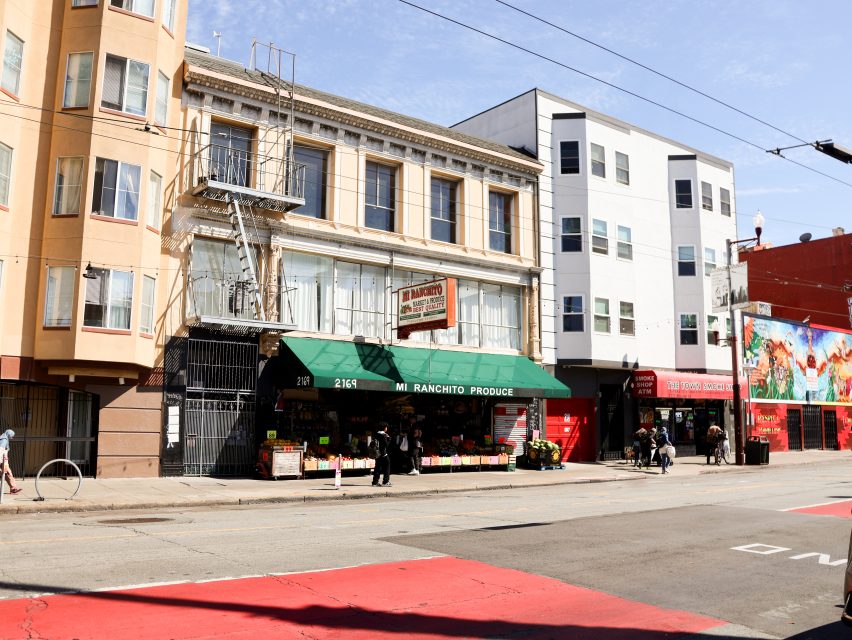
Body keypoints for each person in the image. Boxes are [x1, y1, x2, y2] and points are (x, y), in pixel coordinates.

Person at [0, 429, 22, 494]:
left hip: (3, 460)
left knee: (7, 474)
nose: (12, 437)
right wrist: (2, 462)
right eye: (11, 436)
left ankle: (13, 488)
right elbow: (0, 451)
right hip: (2, 460)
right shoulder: (4, 440)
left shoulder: (4, 438)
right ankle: (13, 488)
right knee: (8, 473)